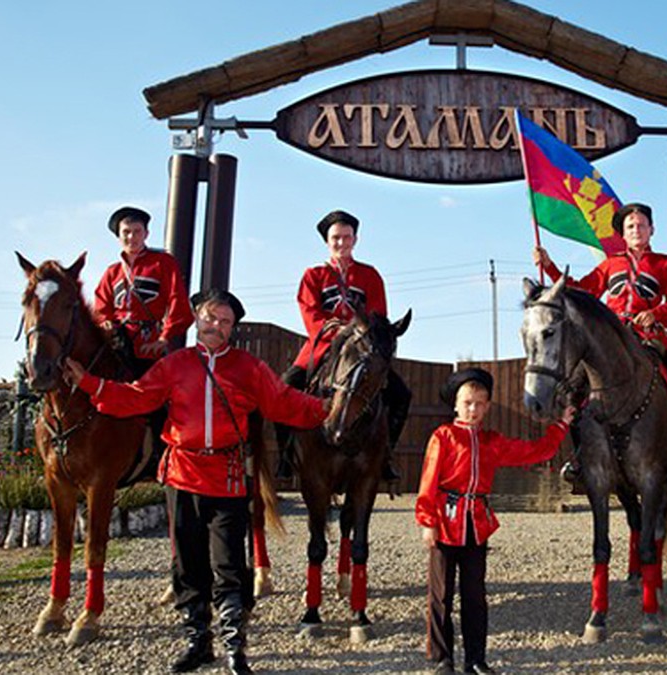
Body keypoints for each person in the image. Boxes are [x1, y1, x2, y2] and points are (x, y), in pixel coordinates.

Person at [66, 289, 330, 675]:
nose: (216, 326)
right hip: (182, 477)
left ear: (233, 329)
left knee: (229, 565)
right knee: (187, 565)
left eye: (225, 322)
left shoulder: (248, 368)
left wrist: (327, 408)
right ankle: (198, 642)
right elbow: (137, 397)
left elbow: (283, 401)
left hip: (227, 479)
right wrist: (91, 384)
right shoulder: (175, 365)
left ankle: (234, 648)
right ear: (196, 319)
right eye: (210, 318)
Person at [416, 368, 576, 675]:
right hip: (445, 526)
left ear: (488, 406)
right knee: (441, 597)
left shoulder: (492, 441)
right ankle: (442, 659)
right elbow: (428, 481)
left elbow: (536, 451)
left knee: (475, 596)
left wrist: (562, 425)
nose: (473, 409)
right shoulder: (443, 437)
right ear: (456, 405)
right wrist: (427, 521)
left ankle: (475, 660)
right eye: (467, 403)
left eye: (479, 403)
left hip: (477, 527)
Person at [532, 202, 667, 483]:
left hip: (649, 338)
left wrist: (657, 313)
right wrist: (549, 267)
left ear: (652, 230)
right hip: (612, 338)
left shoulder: (664, 264)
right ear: (623, 233)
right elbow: (583, 290)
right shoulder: (611, 264)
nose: (636, 229)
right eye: (630, 226)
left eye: (641, 225)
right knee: (574, 385)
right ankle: (580, 455)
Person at [287, 209, 410, 484]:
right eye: (335, 238)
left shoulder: (370, 275)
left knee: (401, 394)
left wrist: (359, 337)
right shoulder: (314, 275)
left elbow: (378, 317)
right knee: (287, 385)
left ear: (355, 239)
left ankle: (385, 455)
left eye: (347, 237)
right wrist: (336, 331)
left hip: (361, 352)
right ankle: (286, 456)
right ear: (327, 242)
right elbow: (310, 313)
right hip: (323, 348)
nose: (341, 243)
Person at [92, 206, 194, 378]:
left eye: (137, 231)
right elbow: (101, 308)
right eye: (126, 232)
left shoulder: (162, 263)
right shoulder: (112, 272)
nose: (131, 237)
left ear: (146, 234)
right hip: (117, 346)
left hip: (148, 344)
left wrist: (164, 339)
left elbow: (179, 303)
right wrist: (105, 322)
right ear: (118, 236)